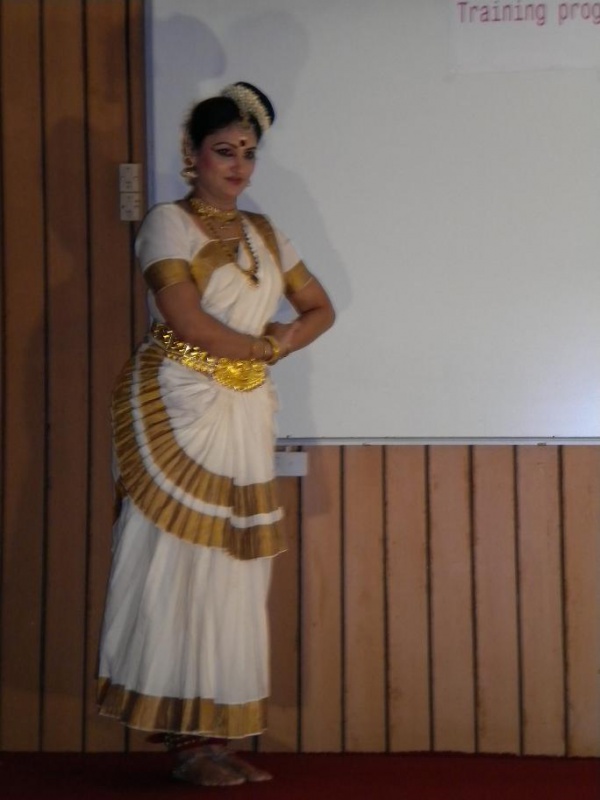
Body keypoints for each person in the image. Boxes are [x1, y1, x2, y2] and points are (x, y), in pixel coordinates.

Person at [96, 82, 335, 786]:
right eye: (224, 150)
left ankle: (216, 735)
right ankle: (183, 743)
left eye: (248, 153)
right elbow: (187, 321)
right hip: (180, 410)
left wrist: (281, 343)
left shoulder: (267, 234)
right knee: (176, 564)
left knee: (235, 572)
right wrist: (265, 348)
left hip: (244, 411)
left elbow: (319, 308)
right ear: (192, 155)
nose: (238, 165)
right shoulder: (167, 224)